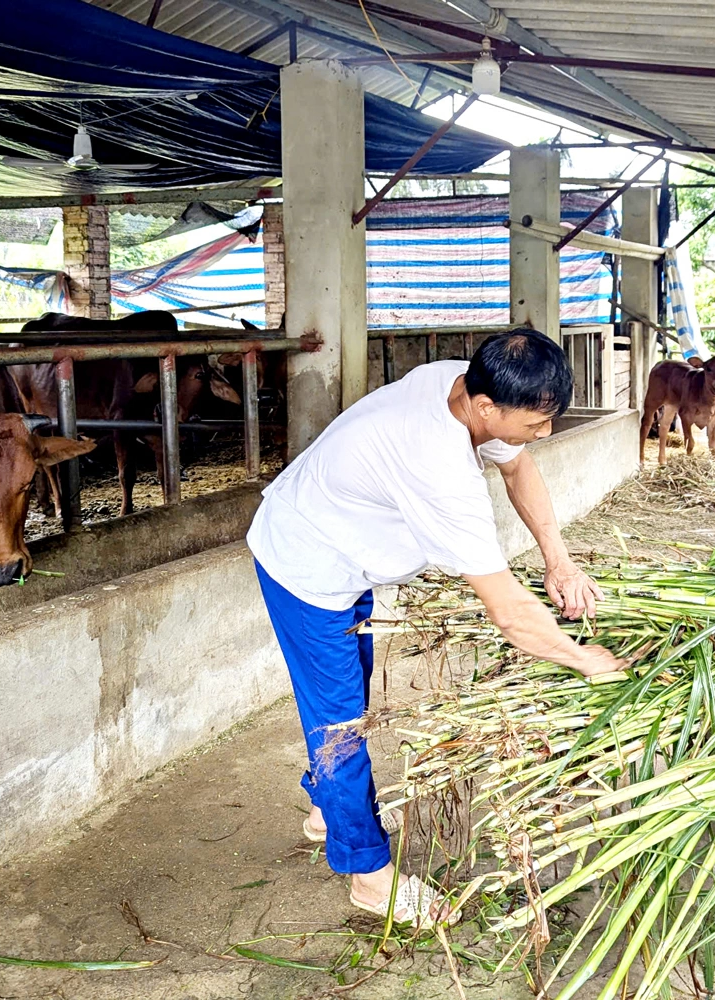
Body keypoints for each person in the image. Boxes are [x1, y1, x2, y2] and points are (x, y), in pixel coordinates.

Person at [246, 328, 625, 927]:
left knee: (351, 694)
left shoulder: (466, 381)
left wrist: (560, 560)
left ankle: (328, 811)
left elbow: (518, 467)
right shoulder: (439, 466)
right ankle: (369, 876)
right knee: (339, 723)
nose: (544, 433)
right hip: (305, 564)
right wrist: (583, 659)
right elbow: (508, 609)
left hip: (343, 544)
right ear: (486, 408)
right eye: (535, 422)